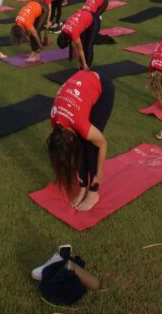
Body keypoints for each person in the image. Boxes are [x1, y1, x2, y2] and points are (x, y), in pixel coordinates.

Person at [47, 69, 114, 212]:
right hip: (83, 84)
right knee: (82, 142)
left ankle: (93, 192)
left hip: (102, 87)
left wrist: (99, 173)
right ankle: (82, 187)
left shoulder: (80, 124)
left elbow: (102, 144)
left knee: (89, 144)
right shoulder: (55, 120)